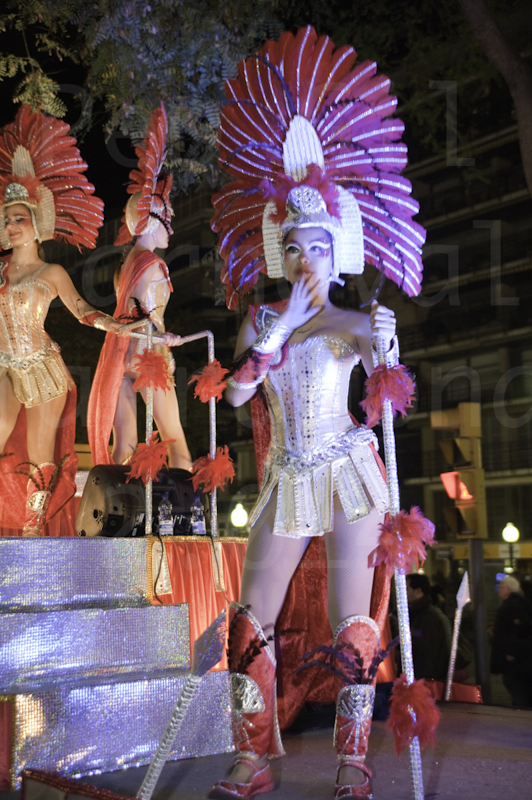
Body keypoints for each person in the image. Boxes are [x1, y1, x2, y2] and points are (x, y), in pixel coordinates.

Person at [208, 27, 426, 800]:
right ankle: (253, 757)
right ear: (283, 252)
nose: (307, 260)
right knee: (249, 617)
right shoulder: (261, 322)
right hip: (285, 476)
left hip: (347, 472)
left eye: (319, 248)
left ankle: (353, 760)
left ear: (338, 254)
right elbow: (235, 395)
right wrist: (276, 334)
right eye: (296, 247)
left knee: (350, 621)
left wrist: (385, 348)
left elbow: (387, 386)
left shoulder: (355, 321)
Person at [0, 104, 134, 537]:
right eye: (7, 219)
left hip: (43, 369)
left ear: (37, 223)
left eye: (19, 219)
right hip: (4, 365)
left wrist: (114, 324)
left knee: (40, 453)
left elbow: (81, 310)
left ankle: (33, 525)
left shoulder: (51, 272)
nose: (12, 226)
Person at [87, 104, 191, 471]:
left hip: (121, 357)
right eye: (168, 219)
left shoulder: (126, 264)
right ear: (151, 221)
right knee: (175, 440)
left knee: (124, 447)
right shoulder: (152, 264)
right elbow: (145, 316)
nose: (171, 227)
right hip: (149, 355)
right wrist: (166, 337)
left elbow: (128, 311)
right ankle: (186, 503)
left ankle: (118, 503)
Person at [490, 574, 532, 707]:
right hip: (518, 659)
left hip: (515, 660)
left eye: (501, 587)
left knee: (516, 688)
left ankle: (521, 715)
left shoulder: (513, 606)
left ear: (508, 589)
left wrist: (511, 653)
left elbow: (519, 630)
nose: (499, 590)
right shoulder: (515, 604)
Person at [406, 573, 452, 681]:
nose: (403, 594)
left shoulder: (429, 618)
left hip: (426, 682)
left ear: (418, 591)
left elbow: (428, 655)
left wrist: (422, 683)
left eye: (407, 589)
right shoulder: (418, 614)